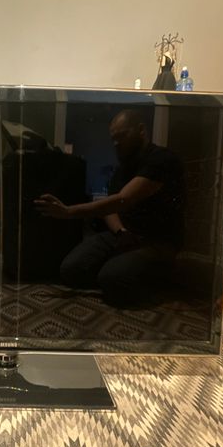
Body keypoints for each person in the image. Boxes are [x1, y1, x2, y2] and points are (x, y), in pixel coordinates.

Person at [34, 109, 185, 306]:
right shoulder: (122, 169)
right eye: (113, 138)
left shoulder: (162, 159)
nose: (116, 143)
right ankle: (119, 271)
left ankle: (149, 278)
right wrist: (121, 232)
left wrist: (69, 212)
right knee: (71, 270)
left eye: (122, 136)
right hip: (125, 235)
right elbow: (110, 209)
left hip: (156, 241)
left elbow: (122, 199)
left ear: (141, 130)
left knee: (112, 278)